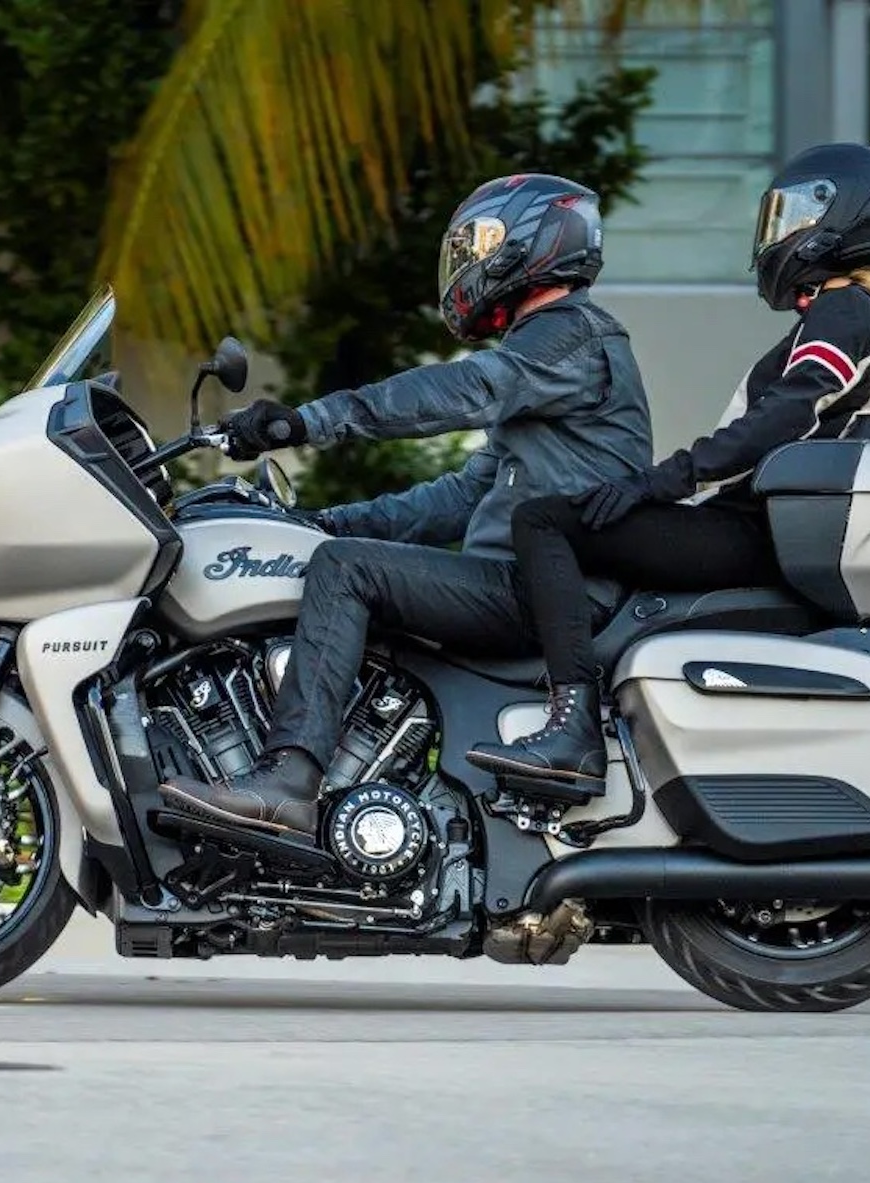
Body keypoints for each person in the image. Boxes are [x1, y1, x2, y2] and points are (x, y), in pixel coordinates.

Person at [159, 172, 654, 835]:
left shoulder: (569, 333)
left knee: (346, 570)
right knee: (338, 552)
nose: (470, 261)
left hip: (549, 590)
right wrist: (318, 523)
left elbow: (459, 390)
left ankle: (289, 780)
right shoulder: (550, 361)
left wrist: (310, 421)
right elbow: (458, 498)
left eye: (482, 242)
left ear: (533, 242)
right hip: (524, 581)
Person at [465, 142, 870, 791]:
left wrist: (661, 480)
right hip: (757, 527)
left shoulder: (845, 309)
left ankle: (572, 726)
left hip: (750, 532)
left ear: (842, 217)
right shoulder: (856, 311)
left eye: (796, 215)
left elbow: (786, 414)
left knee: (544, 520)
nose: (782, 234)